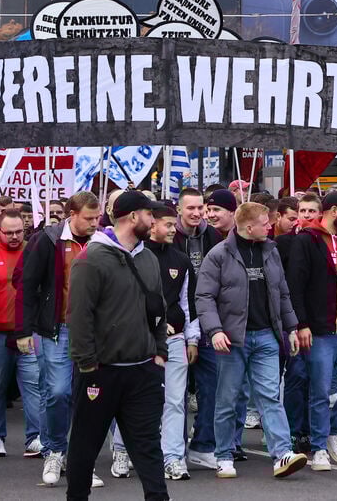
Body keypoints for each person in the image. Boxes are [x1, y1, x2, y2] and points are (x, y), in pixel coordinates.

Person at [65, 191, 170, 501]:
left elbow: (158, 309)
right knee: (85, 445)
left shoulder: (148, 258)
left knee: (148, 445)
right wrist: (87, 364)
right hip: (101, 371)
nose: (154, 221)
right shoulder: (91, 258)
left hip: (143, 370)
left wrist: (159, 352)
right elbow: (79, 316)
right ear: (133, 217)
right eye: (149, 214)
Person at [195, 202, 308, 480]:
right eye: (265, 223)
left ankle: (282, 454)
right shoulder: (218, 254)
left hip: (267, 335)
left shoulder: (271, 251)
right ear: (249, 226)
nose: (270, 226)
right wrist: (215, 330)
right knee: (227, 399)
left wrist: (291, 327)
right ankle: (223, 455)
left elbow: (282, 293)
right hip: (232, 339)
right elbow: (204, 297)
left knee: (270, 396)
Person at [14, 191, 102, 487]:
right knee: (58, 392)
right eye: (89, 218)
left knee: (89, 396)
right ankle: (55, 450)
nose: (94, 223)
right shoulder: (48, 240)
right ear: (72, 214)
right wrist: (23, 330)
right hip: (57, 329)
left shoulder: (102, 242)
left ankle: (81, 459)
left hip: (93, 331)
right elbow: (26, 284)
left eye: (97, 217)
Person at [285, 191, 337, 470]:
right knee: (320, 390)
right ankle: (318, 447)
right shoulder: (307, 239)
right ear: (334, 210)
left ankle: (333, 435)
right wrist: (301, 324)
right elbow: (295, 284)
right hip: (320, 327)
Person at [0, 210, 44, 459]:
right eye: (9, 233)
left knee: (33, 387)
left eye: (19, 232)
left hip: (27, 332)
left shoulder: (34, 251)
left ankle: (35, 437)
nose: (15, 236)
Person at [144, 204, 199, 482]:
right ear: (151, 224)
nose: (173, 229)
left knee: (175, 401)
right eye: (167, 224)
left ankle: (173, 457)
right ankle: (123, 450)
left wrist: (192, 338)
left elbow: (188, 303)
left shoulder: (181, 260)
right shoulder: (135, 255)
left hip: (176, 340)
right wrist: (152, 323)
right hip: (141, 340)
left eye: (172, 224)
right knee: (138, 400)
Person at [173, 187, 223, 471]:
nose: (196, 213)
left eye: (199, 208)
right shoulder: (169, 235)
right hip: (177, 322)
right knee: (176, 392)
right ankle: (175, 448)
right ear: (179, 209)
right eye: (190, 208)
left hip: (208, 320)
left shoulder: (213, 236)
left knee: (213, 385)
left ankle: (203, 445)